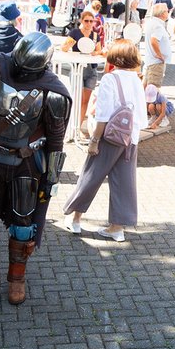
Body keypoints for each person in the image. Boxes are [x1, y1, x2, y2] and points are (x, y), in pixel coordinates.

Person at [0, 33, 71, 304]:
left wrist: (51, 180)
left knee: (23, 224)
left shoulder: (54, 91)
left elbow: (56, 142)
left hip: (26, 165)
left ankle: (17, 276)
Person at [63, 40, 147, 243]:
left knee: (91, 176)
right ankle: (117, 227)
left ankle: (75, 218)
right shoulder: (136, 79)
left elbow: (103, 115)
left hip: (109, 137)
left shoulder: (110, 79)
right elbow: (142, 117)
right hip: (130, 138)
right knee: (124, 182)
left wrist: (94, 140)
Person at [64, 10, 105, 128]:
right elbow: (64, 48)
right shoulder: (75, 33)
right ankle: (71, 126)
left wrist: (96, 53)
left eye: (91, 21)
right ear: (82, 21)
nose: (89, 23)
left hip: (91, 70)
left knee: (85, 101)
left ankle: (78, 126)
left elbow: (99, 50)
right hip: (78, 69)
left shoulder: (95, 35)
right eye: (86, 21)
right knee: (77, 99)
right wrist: (68, 46)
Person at [141, 0, 172, 88]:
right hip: (156, 62)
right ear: (162, 13)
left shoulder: (152, 22)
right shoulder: (157, 25)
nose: (168, 13)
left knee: (146, 86)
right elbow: (154, 40)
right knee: (153, 88)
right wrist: (160, 55)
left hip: (151, 60)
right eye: (167, 11)